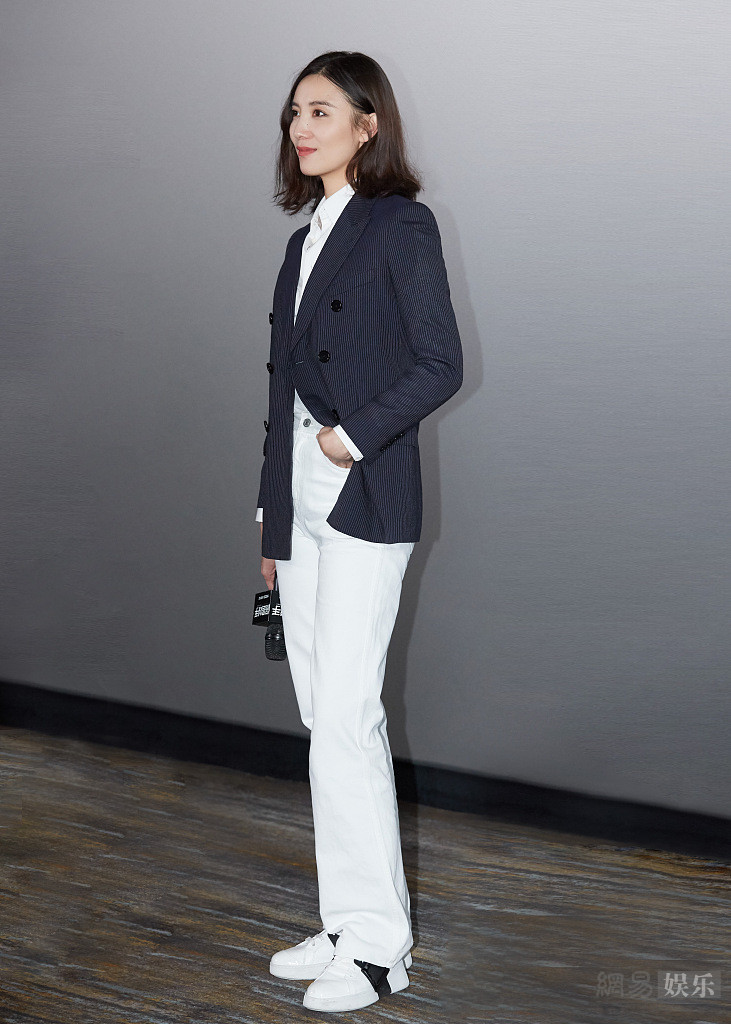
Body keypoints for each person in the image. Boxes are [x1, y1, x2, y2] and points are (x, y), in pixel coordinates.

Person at [256, 50, 463, 1013]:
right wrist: (269, 519)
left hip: (363, 494)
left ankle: (380, 951)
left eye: (321, 110)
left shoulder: (399, 223)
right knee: (321, 718)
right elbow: (276, 397)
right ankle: (345, 923)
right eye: (295, 112)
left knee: (346, 715)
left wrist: (350, 437)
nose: (302, 128)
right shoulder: (300, 242)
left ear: (366, 123)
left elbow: (438, 363)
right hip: (298, 505)